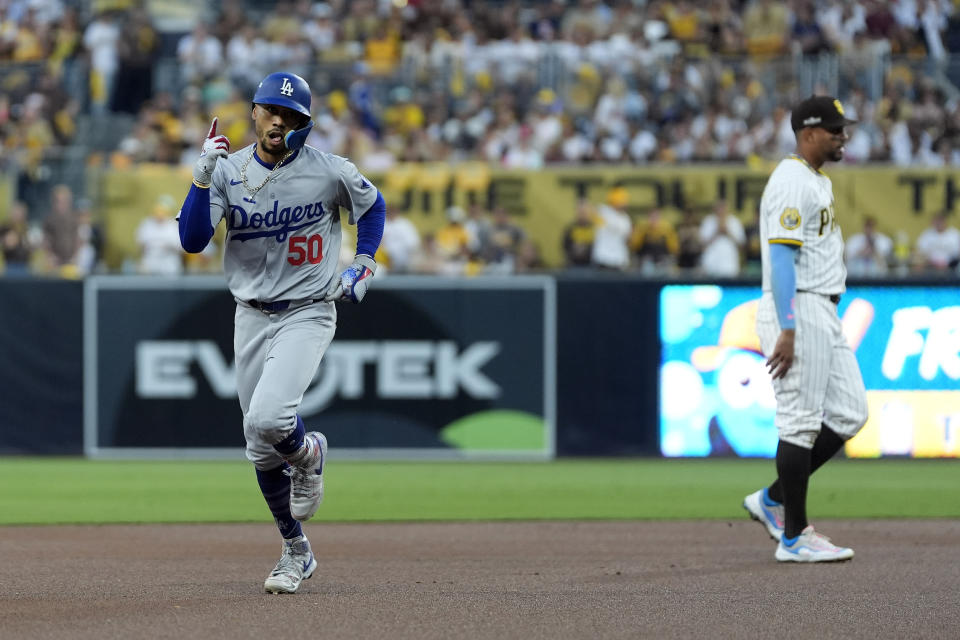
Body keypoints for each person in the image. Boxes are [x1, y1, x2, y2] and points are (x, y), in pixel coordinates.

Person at [177, 71, 385, 594]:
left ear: (304, 125)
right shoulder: (228, 170)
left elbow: (373, 206)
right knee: (259, 444)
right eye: (271, 110)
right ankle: (295, 550)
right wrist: (201, 179)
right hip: (250, 313)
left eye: (291, 116)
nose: (279, 121)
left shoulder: (328, 170)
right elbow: (193, 240)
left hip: (307, 308)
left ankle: (309, 454)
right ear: (254, 112)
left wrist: (363, 261)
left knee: (270, 417)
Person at [744, 95, 867, 563]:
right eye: (835, 129)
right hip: (799, 308)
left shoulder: (814, 179)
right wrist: (789, 326)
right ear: (809, 132)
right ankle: (794, 537)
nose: (843, 136)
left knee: (851, 412)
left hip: (823, 309)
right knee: (799, 423)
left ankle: (774, 499)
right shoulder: (792, 180)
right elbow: (780, 257)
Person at [136, 194, 184, 275]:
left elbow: (180, 246)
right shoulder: (147, 223)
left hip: (169, 263)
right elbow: (140, 241)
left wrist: (165, 245)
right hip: (150, 261)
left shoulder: (173, 225)